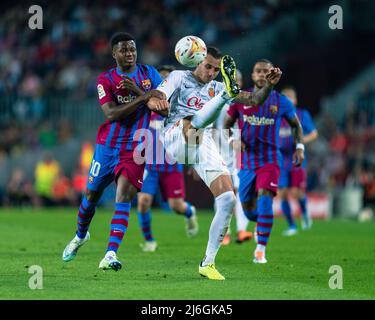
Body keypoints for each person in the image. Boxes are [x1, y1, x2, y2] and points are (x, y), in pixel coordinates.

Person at [147, 48, 282, 279]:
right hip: (175, 136)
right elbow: (156, 97)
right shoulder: (179, 77)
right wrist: (156, 103)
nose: (211, 73)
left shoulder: (217, 85)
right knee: (192, 125)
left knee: (228, 198)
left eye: (216, 70)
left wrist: (268, 85)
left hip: (202, 143)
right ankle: (225, 98)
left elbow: (254, 99)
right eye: (208, 66)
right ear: (197, 62)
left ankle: (208, 263)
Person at [62, 32, 167, 271]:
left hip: (136, 146)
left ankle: (111, 253)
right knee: (91, 196)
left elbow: (163, 108)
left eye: (132, 49)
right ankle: (80, 236)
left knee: (124, 196)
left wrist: (140, 90)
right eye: (123, 50)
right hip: (107, 146)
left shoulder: (148, 74)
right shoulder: (105, 79)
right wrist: (144, 97)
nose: (129, 53)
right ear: (114, 54)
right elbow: (111, 114)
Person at [223, 59, 304, 264]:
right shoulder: (242, 99)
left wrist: (300, 148)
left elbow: (296, 125)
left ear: (271, 75)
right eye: (258, 71)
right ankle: (262, 224)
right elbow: (226, 124)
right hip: (247, 161)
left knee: (265, 196)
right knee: (249, 211)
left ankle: (260, 250)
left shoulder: (281, 101)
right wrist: (234, 139)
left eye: (266, 71)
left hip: (270, 160)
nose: (262, 74)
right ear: (252, 75)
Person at [136, 65, 198, 253]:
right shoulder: (149, 105)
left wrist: (195, 161)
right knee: (143, 201)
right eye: (161, 80)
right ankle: (149, 240)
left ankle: (189, 212)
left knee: (176, 207)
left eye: (166, 80)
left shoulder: (182, 106)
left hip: (172, 164)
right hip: (150, 164)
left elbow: (194, 133)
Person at [215, 69, 253, 245]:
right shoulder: (218, 102)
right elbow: (214, 128)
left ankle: (242, 230)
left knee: (241, 191)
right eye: (232, 79)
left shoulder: (246, 103)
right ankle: (225, 233)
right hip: (221, 152)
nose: (235, 82)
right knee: (223, 192)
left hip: (241, 155)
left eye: (237, 79)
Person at [278, 85, 318, 235]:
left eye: (290, 97)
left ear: (295, 100)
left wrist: (300, 141)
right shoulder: (276, 116)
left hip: (297, 159)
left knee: (296, 192)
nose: (287, 100)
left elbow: (314, 133)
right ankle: (292, 226)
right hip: (281, 160)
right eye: (284, 97)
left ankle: (305, 212)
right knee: (281, 193)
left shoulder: (302, 115)